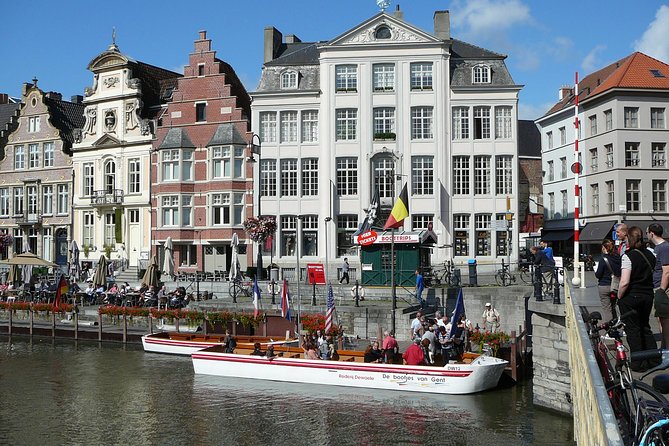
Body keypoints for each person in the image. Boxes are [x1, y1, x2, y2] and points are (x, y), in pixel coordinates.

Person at [617, 226, 658, 372]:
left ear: (629, 238)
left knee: (633, 329)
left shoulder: (628, 256)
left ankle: (638, 363)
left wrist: (619, 296)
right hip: (647, 295)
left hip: (632, 296)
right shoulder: (650, 255)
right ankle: (653, 358)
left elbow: (625, 281)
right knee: (645, 326)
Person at [648, 223, 669, 348]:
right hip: (656, 286)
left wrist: (661, 290)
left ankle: (666, 349)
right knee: (661, 319)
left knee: (665, 320)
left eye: (647, 233)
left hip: (661, 288)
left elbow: (666, 271)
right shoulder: (658, 248)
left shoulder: (664, 248)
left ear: (651, 233)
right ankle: (664, 347)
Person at [594, 239, 621, 323]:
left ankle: (610, 330)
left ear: (604, 248)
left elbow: (598, 275)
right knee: (613, 306)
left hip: (604, 285)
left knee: (607, 309)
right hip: (615, 286)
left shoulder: (603, 259)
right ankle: (616, 324)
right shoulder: (618, 258)